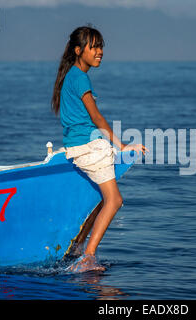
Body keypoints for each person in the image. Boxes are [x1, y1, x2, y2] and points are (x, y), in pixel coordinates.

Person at [51, 26, 148, 273]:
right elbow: (97, 118)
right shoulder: (80, 78)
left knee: (99, 200)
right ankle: (88, 257)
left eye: (101, 46)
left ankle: (77, 246)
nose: (100, 52)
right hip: (89, 146)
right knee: (114, 201)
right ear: (78, 50)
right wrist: (123, 146)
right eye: (93, 47)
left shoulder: (72, 76)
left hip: (79, 145)